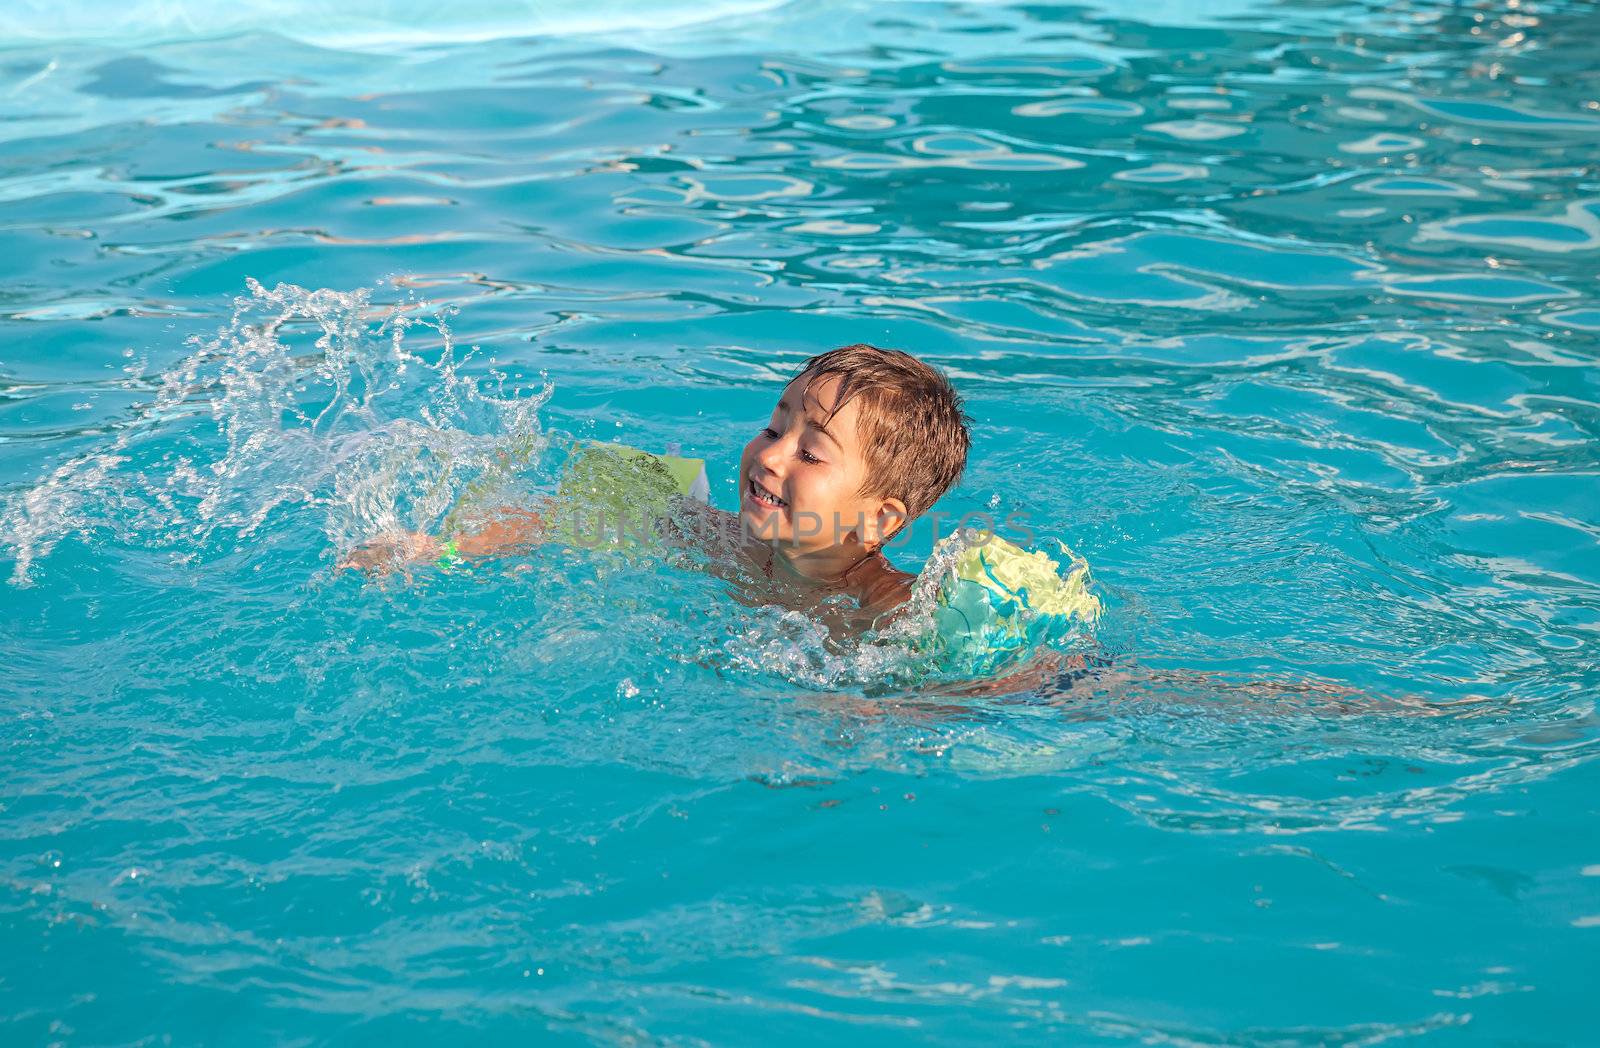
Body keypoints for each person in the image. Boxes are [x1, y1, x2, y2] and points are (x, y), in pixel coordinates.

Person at [342, 343, 972, 634]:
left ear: (880, 520)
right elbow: (560, 516)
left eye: (809, 451)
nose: (769, 454)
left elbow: (994, 685)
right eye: (773, 426)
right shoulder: (721, 541)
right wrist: (440, 551)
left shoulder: (891, 611)